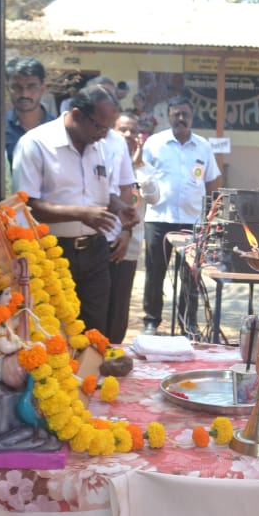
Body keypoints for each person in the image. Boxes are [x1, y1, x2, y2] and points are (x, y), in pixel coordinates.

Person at [11, 85, 137, 335]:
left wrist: (120, 207)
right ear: (77, 115)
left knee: (95, 332)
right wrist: (81, 214)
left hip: (95, 252)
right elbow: (26, 205)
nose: (104, 135)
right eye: (99, 127)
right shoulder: (36, 143)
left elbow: (103, 193)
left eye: (108, 128)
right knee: (52, 333)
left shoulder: (100, 144)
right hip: (51, 252)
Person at [141, 95, 222, 337]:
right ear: (168, 116)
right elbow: (141, 175)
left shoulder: (203, 146)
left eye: (185, 114)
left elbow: (212, 180)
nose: (181, 118)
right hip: (159, 219)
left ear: (192, 116)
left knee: (190, 275)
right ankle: (151, 321)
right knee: (155, 272)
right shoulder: (154, 143)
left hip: (192, 221)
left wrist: (209, 214)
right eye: (176, 114)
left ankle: (188, 323)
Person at [104, 111, 159, 344]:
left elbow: (154, 197)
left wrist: (140, 168)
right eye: (122, 129)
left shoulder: (144, 167)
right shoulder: (102, 159)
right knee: (99, 300)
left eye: (133, 131)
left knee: (119, 304)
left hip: (129, 247)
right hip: (101, 241)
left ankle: (115, 347)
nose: (128, 134)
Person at [4, 56, 54, 165]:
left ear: (43, 87)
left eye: (31, 86)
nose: (24, 94)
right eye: (17, 87)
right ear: (8, 88)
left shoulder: (58, 130)